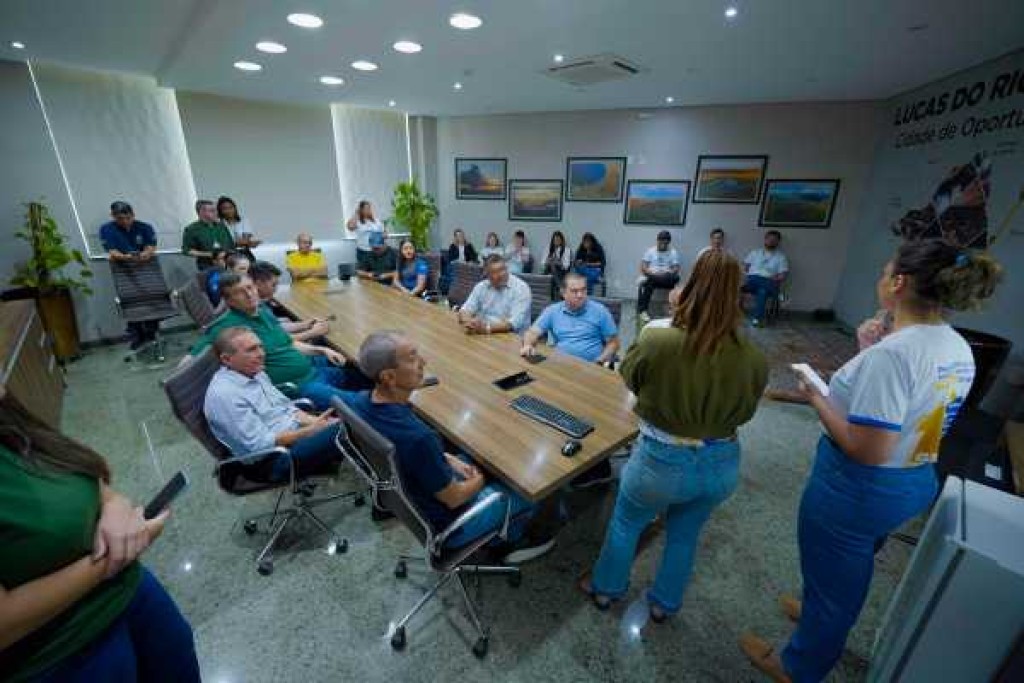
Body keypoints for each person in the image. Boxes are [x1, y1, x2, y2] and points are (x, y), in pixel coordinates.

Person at [740, 240, 1002, 683]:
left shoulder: (895, 355)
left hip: (858, 486)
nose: (880, 279)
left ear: (899, 283)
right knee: (846, 567)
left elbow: (867, 448)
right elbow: (909, 413)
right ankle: (820, 612)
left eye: (884, 272)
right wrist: (867, 349)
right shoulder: (954, 345)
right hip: (913, 476)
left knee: (836, 580)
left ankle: (797, 666)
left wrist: (815, 395)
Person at [581, 250, 768, 624]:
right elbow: (747, 412)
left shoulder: (658, 338)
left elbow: (630, 377)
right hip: (722, 462)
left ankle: (606, 590)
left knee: (627, 523)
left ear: (691, 284)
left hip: (662, 460)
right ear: (738, 293)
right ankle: (663, 604)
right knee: (684, 534)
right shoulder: (754, 356)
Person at [0, 390, 199, 682]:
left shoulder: (9, 419)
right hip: (61, 655)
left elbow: (79, 470)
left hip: (132, 594)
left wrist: (114, 504)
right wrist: (112, 559)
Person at [342, 331, 555, 562]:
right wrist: (484, 477)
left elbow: (408, 450)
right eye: (413, 359)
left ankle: (498, 529)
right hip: (449, 526)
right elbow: (455, 498)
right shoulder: (420, 438)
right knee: (526, 486)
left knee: (470, 456)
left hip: (412, 497)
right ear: (389, 377)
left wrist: (448, 458)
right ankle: (510, 542)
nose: (424, 362)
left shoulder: (361, 401)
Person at [189, 272, 370, 410]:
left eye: (250, 288)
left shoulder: (261, 311)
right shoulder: (224, 326)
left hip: (313, 372)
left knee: (364, 374)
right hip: (299, 388)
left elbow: (288, 343)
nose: (249, 294)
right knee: (360, 405)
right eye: (240, 293)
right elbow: (190, 361)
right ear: (228, 301)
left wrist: (322, 350)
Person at [204, 327, 343, 482]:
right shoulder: (225, 396)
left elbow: (286, 408)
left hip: (292, 436)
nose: (261, 354)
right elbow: (259, 445)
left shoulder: (254, 371)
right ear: (226, 359)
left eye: (260, 347)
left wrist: (318, 422)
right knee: (348, 429)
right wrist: (309, 431)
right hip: (272, 460)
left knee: (348, 421)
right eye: (251, 350)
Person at [520, 273, 619, 365]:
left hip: (591, 365)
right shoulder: (553, 311)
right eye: (574, 291)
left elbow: (613, 343)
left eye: (583, 290)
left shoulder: (600, 311)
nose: (580, 295)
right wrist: (528, 345)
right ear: (563, 293)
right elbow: (532, 332)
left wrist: (600, 360)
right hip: (561, 364)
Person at [99, 201, 159, 349]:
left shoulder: (144, 227)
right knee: (131, 302)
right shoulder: (107, 229)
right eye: (120, 218)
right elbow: (112, 251)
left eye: (128, 217)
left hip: (145, 268)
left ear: (133, 214)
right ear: (113, 216)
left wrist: (146, 253)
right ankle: (137, 335)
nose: (125, 221)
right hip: (123, 270)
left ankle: (152, 333)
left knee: (151, 299)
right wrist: (126, 257)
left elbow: (151, 246)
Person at [248, 260, 330, 343]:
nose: (276, 289)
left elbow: (275, 327)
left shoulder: (260, 304)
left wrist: (305, 324)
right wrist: (313, 332)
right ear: (258, 284)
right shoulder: (252, 309)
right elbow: (276, 341)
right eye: (273, 285)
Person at [457, 255, 531, 336]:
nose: (501, 274)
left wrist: (486, 328)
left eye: (503, 269)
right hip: (484, 334)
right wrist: (469, 322)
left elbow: (513, 324)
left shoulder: (521, 289)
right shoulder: (481, 286)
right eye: (495, 272)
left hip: (511, 337)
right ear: (487, 275)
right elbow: (465, 310)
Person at [742, 230, 789, 326]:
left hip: (769, 281)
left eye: (774, 240)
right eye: (769, 239)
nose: (771, 241)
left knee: (762, 291)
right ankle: (780, 296)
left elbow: (782, 275)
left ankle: (757, 319)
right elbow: (744, 268)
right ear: (765, 239)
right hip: (751, 282)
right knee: (757, 281)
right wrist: (745, 276)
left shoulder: (781, 257)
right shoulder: (755, 253)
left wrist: (775, 278)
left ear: (778, 242)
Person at [636, 230, 681, 322]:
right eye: (661, 242)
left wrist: (667, 273)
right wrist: (652, 273)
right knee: (649, 282)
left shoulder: (673, 252)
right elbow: (643, 267)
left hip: (666, 278)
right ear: (657, 241)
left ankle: (674, 311)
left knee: (676, 278)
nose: (663, 245)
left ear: (668, 243)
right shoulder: (650, 251)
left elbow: (676, 268)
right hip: (653, 276)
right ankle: (643, 311)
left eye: (665, 243)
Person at [181, 199, 235, 270]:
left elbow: (231, 245)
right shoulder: (192, 229)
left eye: (216, 210)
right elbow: (187, 250)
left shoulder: (221, 226)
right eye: (212, 211)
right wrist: (210, 254)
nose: (216, 213)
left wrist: (223, 254)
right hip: (206, 265)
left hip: (227, 263)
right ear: (201, 212)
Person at [217, 196, 260, 261]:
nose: (229, 211)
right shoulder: (219, 224)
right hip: (228, 254)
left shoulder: (243, 220)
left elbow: (245, 239)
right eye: (225, 209)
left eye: (231, 207)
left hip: (244, 252)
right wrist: (245, 243)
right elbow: (223, 243)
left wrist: (234, 242)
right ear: (220, 211)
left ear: (235, 208)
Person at [346, 200, 385, 271]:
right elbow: (350, 227)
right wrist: (356, 214)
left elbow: (384, 232)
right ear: (361, 210)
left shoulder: (376, 221)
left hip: (376, 251)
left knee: (377, 272)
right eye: (365, 208)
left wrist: (383, 236)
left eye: (369, 208)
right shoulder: (357, 221)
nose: (368, 210)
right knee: (363, 273)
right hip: (363, 252)